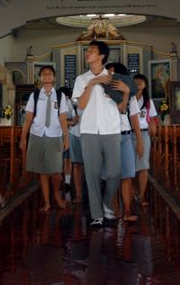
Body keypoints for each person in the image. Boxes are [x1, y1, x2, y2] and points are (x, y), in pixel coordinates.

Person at [72, 40, 125, 227]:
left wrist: (125, 93)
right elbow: (81, 105)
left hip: (110, 129)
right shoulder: (81, 79)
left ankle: (107, 202)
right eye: (87, 50)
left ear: (101, 55)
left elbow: (121, 107)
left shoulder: (113, 79)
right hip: (88, 131)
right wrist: (93, 82)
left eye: (91, 50)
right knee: (92, 173)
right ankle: (97, 215)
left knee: (115, 171)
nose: (87, 53)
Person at [19, 66, 71, 211]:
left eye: (49, 74)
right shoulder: (34, 96)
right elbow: (28, 118)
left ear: (54, 77)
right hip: (37, 134)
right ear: (40, 78)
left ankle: (56, 194)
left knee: (55, 171)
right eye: (44, 74)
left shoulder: (60, 96)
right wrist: (23, 138)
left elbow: (62, 118)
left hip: (54, 135)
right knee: (42, 170)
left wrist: (66, 137)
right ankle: (47, 202)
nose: (47, 76)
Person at [106, 63, 143, 223]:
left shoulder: (131, 94)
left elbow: (134, 117)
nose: (111, 76)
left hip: (126, 136)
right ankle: (114, 205)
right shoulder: (103, 93)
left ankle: (127, 211)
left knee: (127, 176)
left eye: (114, 73)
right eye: (109, 73)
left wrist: (139, 140)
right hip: (109, 137)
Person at [133, 74, 157, 207]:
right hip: (129, 134)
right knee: (130, 166)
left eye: (141, 81)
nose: (138, 83)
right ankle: (130, 192)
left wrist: (152, 127)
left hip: (143, 134)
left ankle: (141, 195)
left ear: (145, 85)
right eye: (136, 81)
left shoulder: (148, 101)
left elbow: (152, 118)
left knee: (143, 166)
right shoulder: (128, 99)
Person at [58, 86, 76, 200]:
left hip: (69, 135)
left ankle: (67, 181)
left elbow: (75, 119)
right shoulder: (57, 104)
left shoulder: (71, 104)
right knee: (59, 159)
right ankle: (59, 180)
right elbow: (58, 121)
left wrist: (69, 122)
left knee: (68, 159)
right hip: (57, 135)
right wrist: (69, 122)